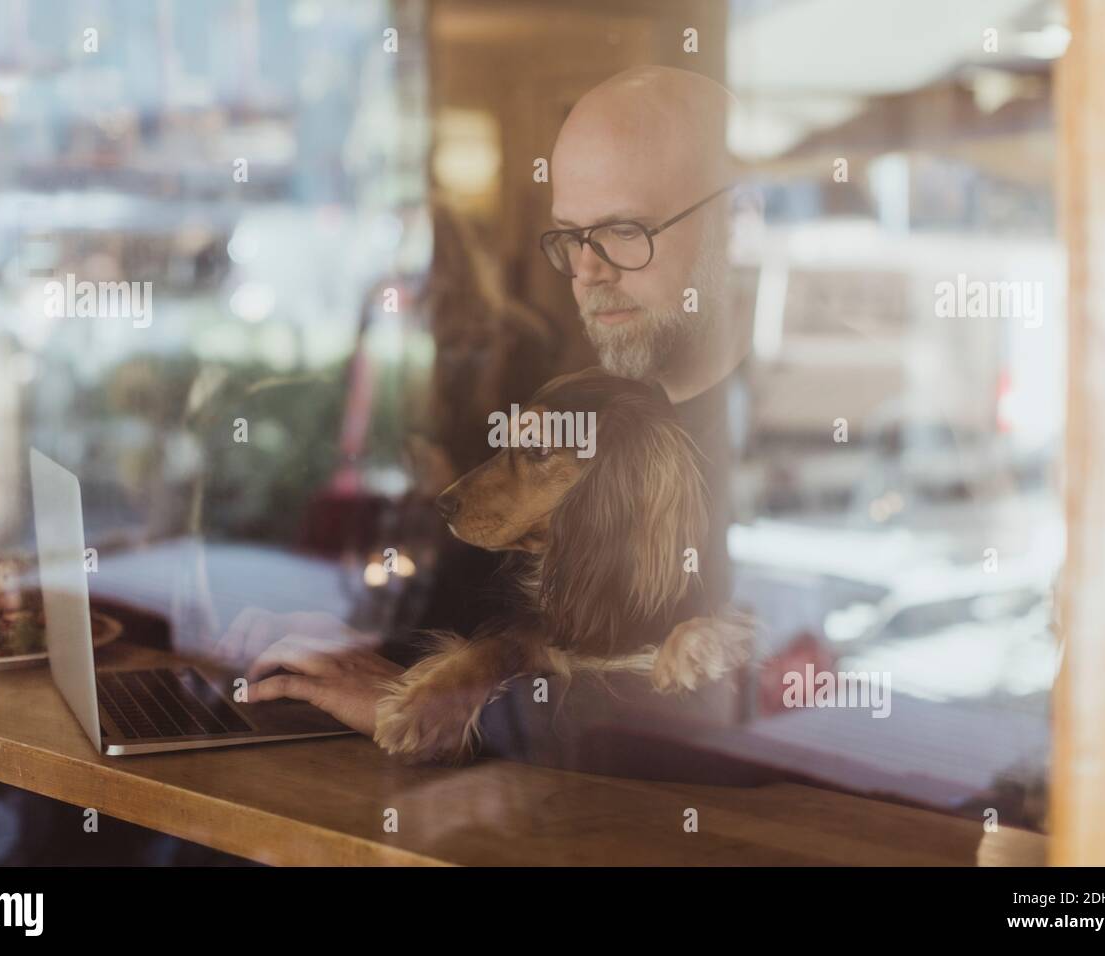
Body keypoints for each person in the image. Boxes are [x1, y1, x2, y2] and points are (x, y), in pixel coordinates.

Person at [218, 66, 764, 781]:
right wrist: (379, 654)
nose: (587, 271)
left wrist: (463, 710)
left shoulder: (780, 444)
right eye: (570, 237)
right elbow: (508, 614)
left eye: (625, 230)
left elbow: (741, 722)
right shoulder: (582, 404)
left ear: (737, 224)